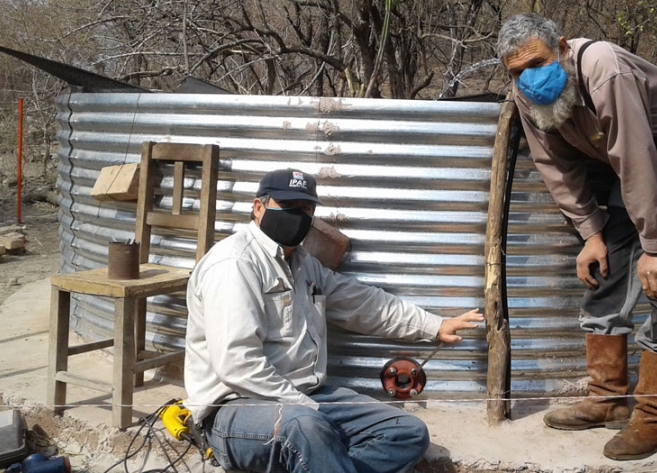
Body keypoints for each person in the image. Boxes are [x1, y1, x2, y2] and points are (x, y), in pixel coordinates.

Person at [497, 13, 657, 460]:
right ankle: (608, 398)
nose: (529, 79)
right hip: (644, 171)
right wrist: (591, 232)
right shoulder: (524, 96)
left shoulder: (603, 66)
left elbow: (634, 154)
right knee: (604, 271)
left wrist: (656, 246)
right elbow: (556, 166)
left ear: (563, 48)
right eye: (517, 72)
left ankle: (653, 419)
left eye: (537, 63)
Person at [183, 168, 484, 473]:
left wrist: (434, 326)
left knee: (406, 433)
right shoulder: (234, 264)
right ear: (258, 207)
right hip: (236, 409)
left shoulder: (302, 264)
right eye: (288, 206)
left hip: (305, 396)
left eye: (306, 209)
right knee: (309, 429)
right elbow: (238, 365)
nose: (299, 215)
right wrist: (308, 408)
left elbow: (362, 303)